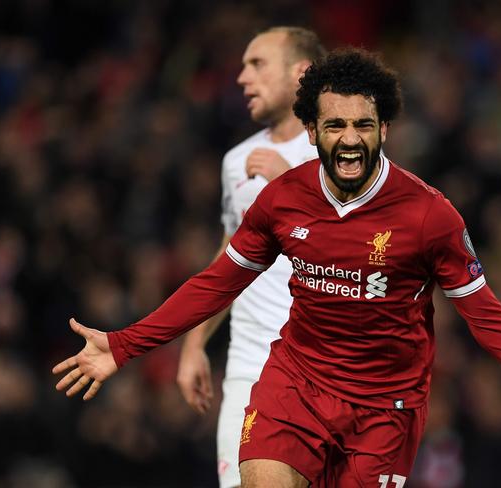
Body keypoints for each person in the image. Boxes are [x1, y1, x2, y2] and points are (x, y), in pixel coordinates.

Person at [53, 48, 501, 487]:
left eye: (363, 125)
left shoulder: (429, 216)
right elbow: (216, 284)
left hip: (386, 407)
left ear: (384, 128)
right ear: (312, 131)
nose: (350, 139)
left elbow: (487, 317)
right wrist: (124, 344)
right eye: (335, 126)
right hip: (297, 384)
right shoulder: (282, 200)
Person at [175, 26, 324, 488]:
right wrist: (194, 343)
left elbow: (367, 249)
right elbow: (230, 256)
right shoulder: (237, 160)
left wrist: (291, 185)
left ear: (302, 73)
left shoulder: (342, 150)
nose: (242, 77)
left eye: (257, 64)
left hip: (324, 367)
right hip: (249, 366)